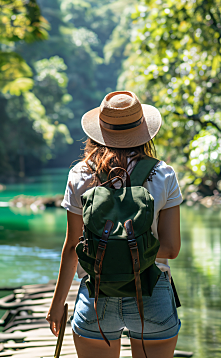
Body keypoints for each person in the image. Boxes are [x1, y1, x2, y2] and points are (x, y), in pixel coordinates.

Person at [46, 91, 182, 358]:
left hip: (96, 298)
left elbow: (73, 246)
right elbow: (171, 248)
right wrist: (133, 247)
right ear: (144, 131)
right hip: (152, 296)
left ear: (99, 131)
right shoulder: (164, 174)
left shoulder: (80, 174)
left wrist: (57, 304)